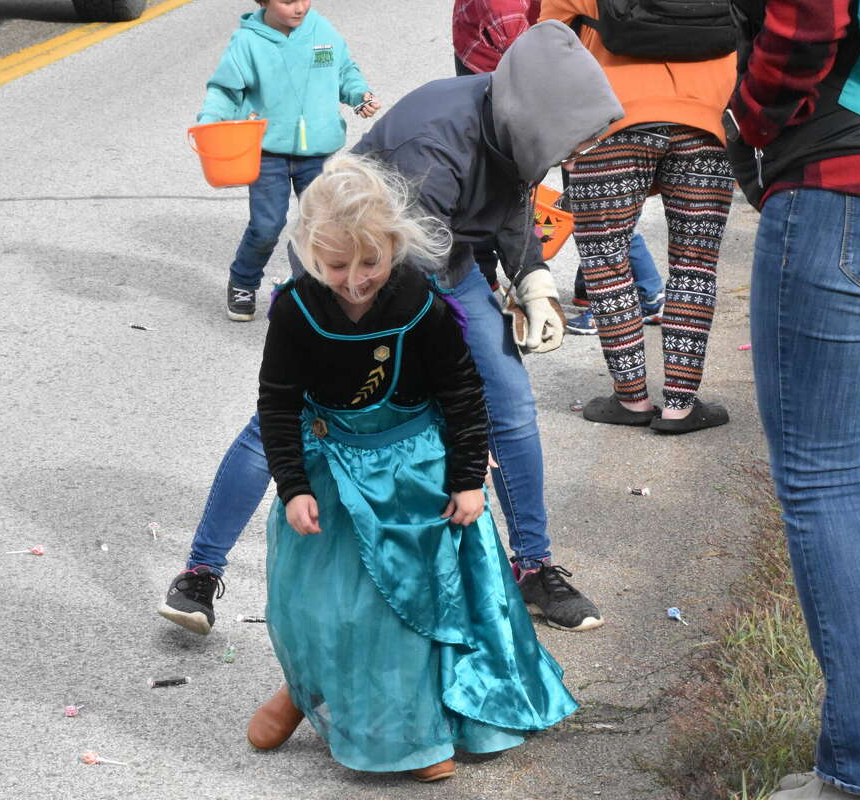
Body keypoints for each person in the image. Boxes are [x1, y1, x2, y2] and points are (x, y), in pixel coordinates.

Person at [158, 21, 622, 636]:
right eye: (569, 142)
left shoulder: (517, 115)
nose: (574, 155)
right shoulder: (433, 144)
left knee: (509, 404)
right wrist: (451, 414)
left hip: (444, 262)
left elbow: (513, 202)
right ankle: (199, 573)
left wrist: (533, 280)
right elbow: (410, 294)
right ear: (535, 115)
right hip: (354, 268)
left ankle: (534, 568)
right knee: (290, 413)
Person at [245, 153, 578, 781]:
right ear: (312, 252)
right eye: (337, 264)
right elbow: (277, 401)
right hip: (332, 476)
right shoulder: (295, 309)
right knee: (319, 605)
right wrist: (291, 486)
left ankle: (418, 735)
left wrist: (465, 478)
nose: (355, 279)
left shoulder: (420, 301)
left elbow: (461, 391)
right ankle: (301, 692)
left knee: (402, 608)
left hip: (416, 472)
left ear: (395, 245)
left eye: (370, 261)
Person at [727, 0, 860, 793]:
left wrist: (753, 113)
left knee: (825, 481)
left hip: (839, 185)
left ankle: (859, 766)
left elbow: (806, 17)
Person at [540, 0, 736, 433]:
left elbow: (545, 50)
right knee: (696, 266)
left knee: (606, 264)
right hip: (707, 124)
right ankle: (680, 406)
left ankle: (631, 399)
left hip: (607, 125)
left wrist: (560, 134)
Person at [451, 0, 664, 334]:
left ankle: (634, 294)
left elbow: (528, 51)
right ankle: (630, 291)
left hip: (566, 96)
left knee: (593, 208)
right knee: (591, 205)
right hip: (578, 91)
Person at [197, 0, 380, 322]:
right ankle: (243, 281)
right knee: (267, 226)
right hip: (268, 153)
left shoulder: (321, 31)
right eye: (287, 1)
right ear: (264, 1)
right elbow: (225, 90)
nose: (300, 7)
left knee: (324, 226)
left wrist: (359, 95)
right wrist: (210, 120)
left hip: (318, 153)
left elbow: (344, 71)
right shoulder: (248, 42)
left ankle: (321, 290)